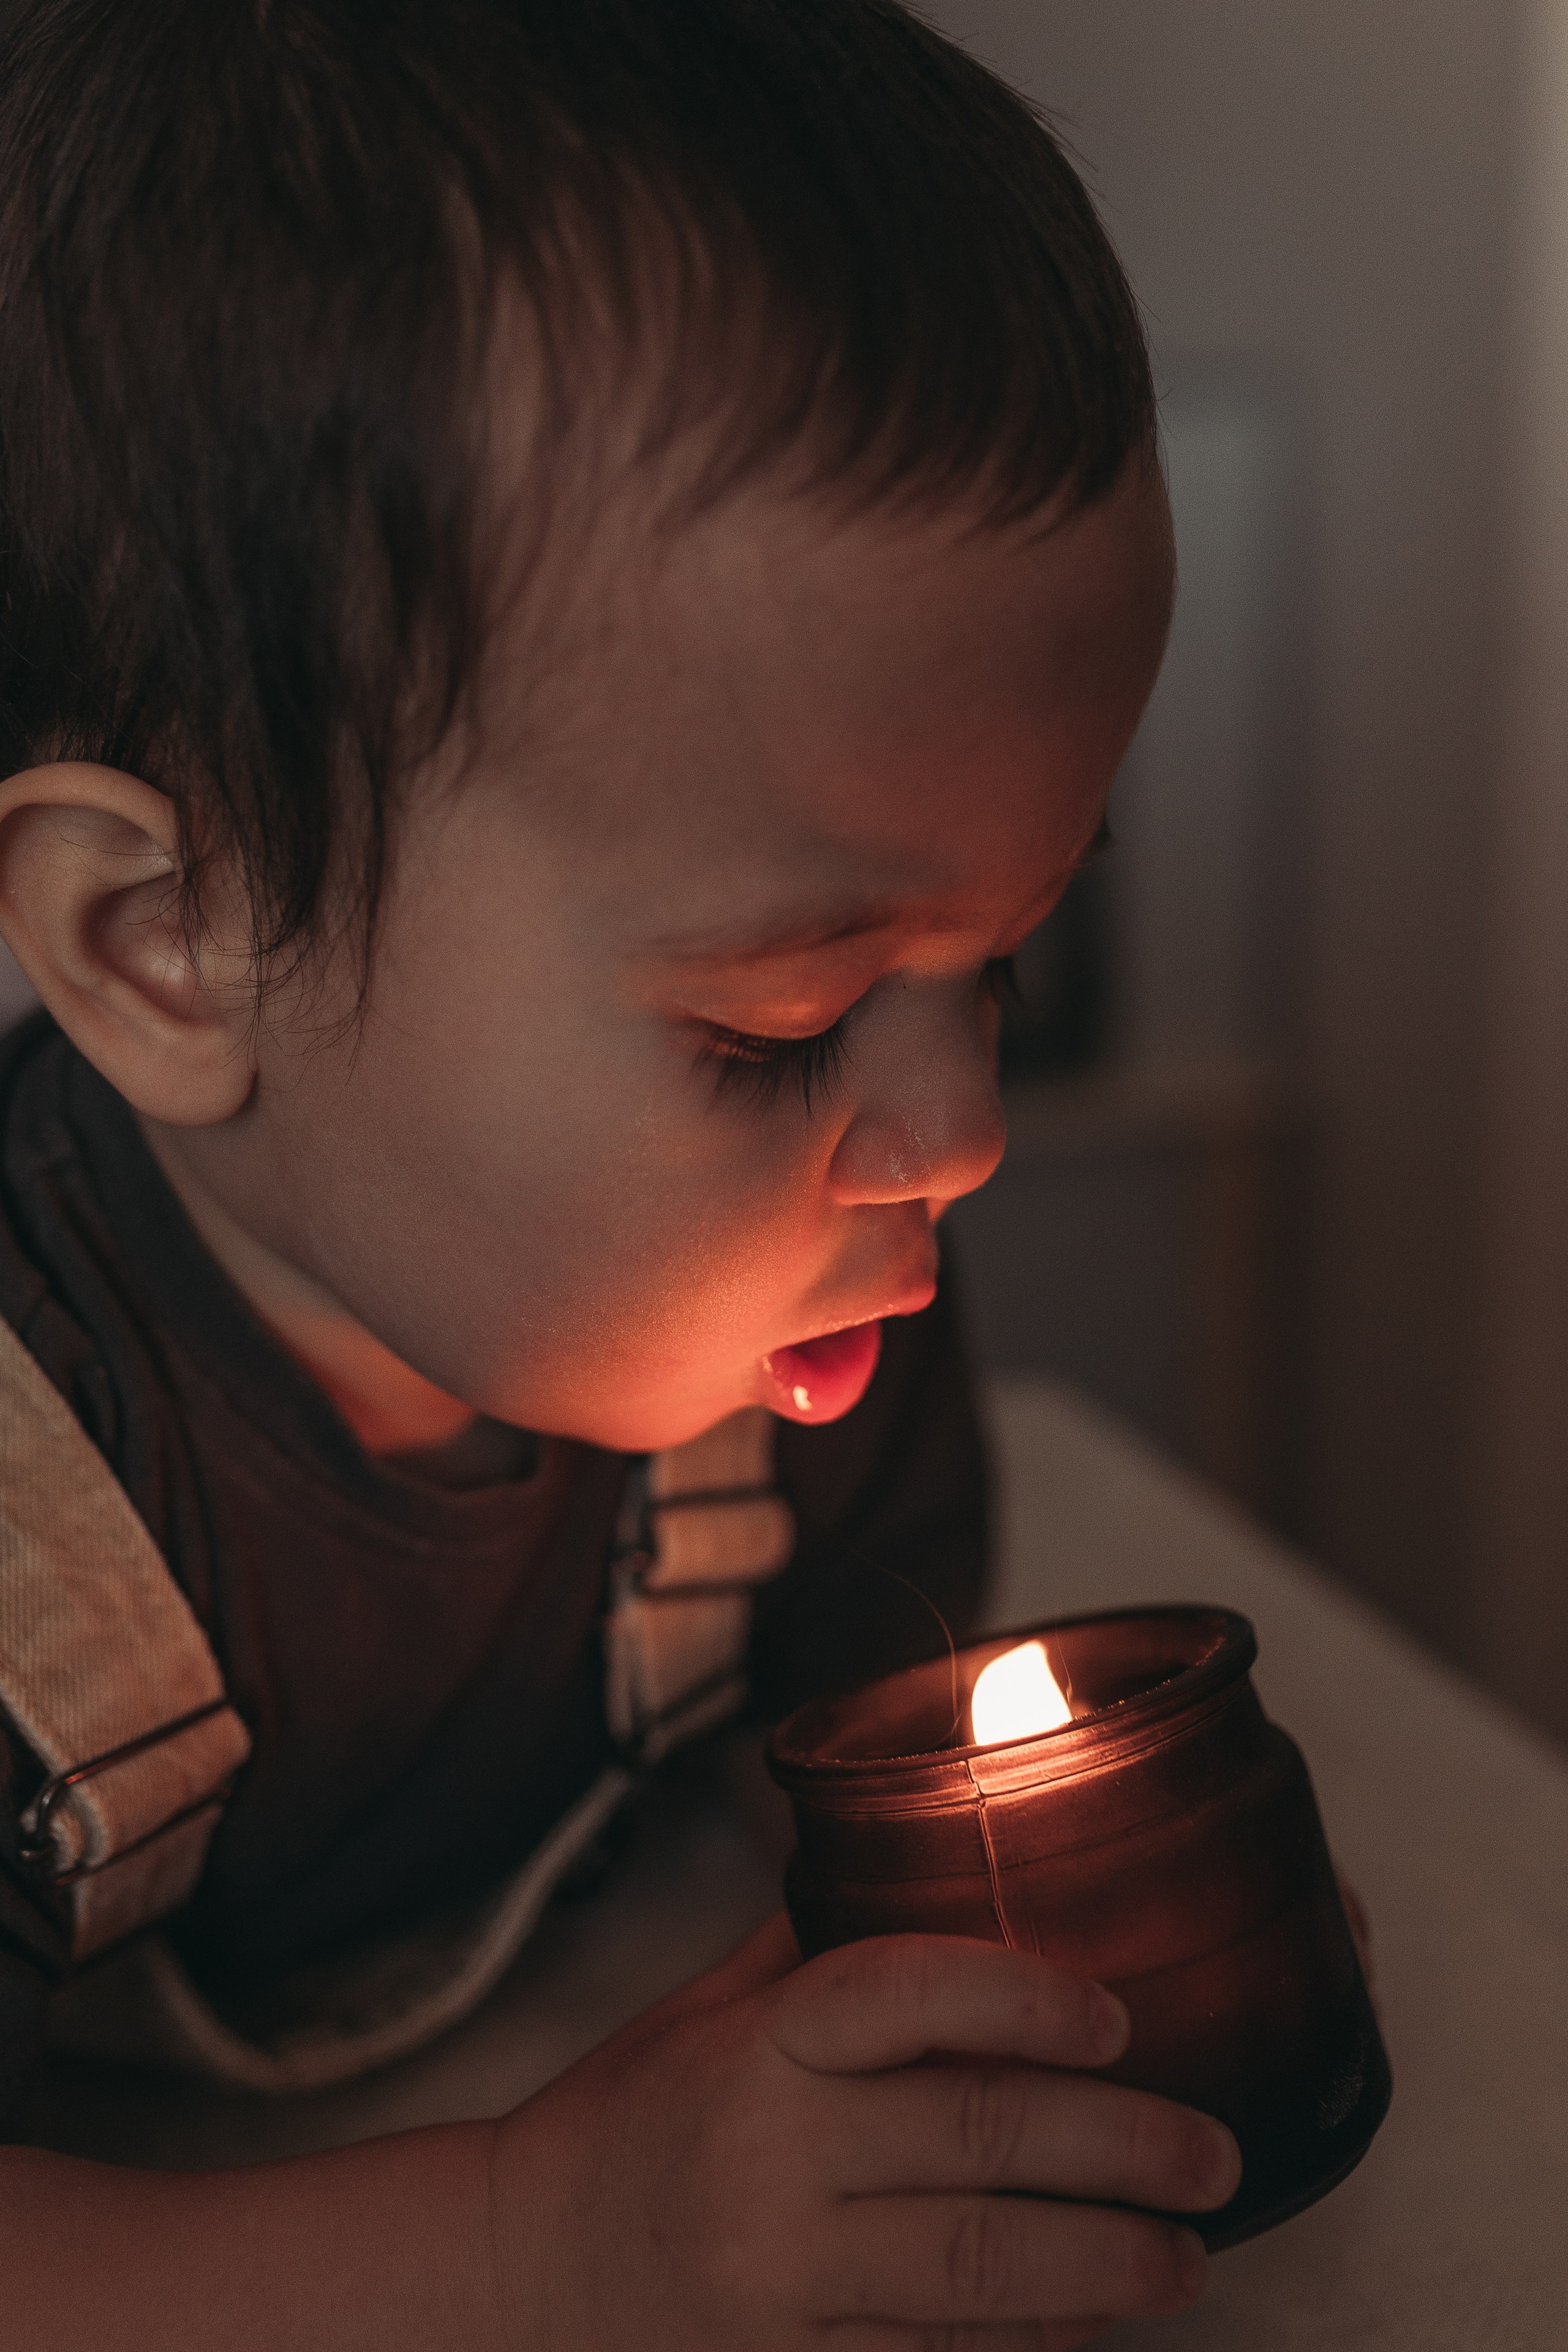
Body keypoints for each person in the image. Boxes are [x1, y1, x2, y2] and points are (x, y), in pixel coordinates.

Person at [0, 1, 1244, 2342]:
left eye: (1002, 958)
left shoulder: (809, 1305)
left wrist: (1093, 1973)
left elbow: (872, 1846)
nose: (956, 1135)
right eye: (777, 1025)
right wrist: (537, 2238)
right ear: (171, 950)